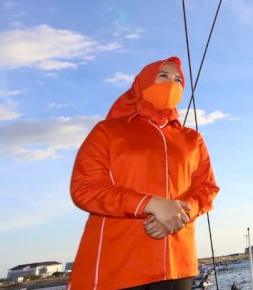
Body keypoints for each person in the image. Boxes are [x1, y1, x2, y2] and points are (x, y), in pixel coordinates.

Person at [68, 57, 219, 290]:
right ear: (142, 83)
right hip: (119, 266)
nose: (172, 83)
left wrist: (180, 214)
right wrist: (150, 204)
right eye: (163, 76)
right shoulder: (107, 131)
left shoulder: (193, 139)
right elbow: (84, 188)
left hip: (178, 265)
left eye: (178, 79)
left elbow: (207, 188)